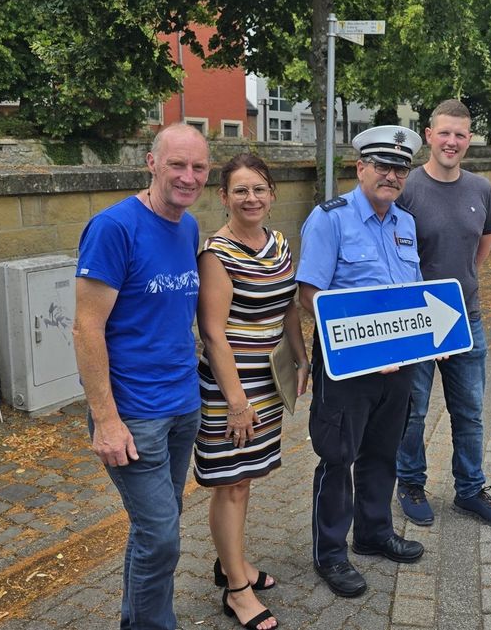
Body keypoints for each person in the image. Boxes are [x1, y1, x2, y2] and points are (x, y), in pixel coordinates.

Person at [73, 123, 210, 630]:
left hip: (182, 405)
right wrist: (106, 421)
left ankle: (140, 620)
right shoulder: (114, 227)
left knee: (157, 529)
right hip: (134, 416)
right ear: (151, 163)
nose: (188, 176)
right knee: (161, 536)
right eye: (177, 164)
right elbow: (86, 327)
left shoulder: (188, 226)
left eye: (198, 167)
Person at [296, 124, 425, 598]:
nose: (391, 175)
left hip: (400, 364)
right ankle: (331, 553)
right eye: (383, 166)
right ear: (361, 168)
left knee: (382, 452)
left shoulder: (405, 223)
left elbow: (412, 294)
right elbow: (309, 293)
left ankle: (373, 533)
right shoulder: (329, 219)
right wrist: (366, 345)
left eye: (400, 168)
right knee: (337, 457)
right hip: (348, 366)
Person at [194, 153, 310, 630]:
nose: (251, 198)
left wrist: (302, 359)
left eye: (259, 189)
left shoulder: (279, 243)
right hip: (230, 387)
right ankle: (236, 591)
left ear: (272, 194)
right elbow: (213, 333)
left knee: (247, 478)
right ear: (223, 197)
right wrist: (237, 403)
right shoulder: (215, 254)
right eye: (240, 190)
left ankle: (231, 562)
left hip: (268, 380)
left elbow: (288, 310)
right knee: (231, 484)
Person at [395, 100, 491, 531]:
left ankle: (470, 490)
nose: (452, 142)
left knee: (470, 411)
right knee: (413, 411)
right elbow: (395, 258)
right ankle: (409, 482)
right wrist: (427, 313)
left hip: (467, 319)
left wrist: (456, 291)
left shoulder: (481, 189)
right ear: (429, 135)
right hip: (416, 321)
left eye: (460, 135)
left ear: (469, 140)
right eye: (444, 133)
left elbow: (483, 244)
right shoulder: (406, 189)